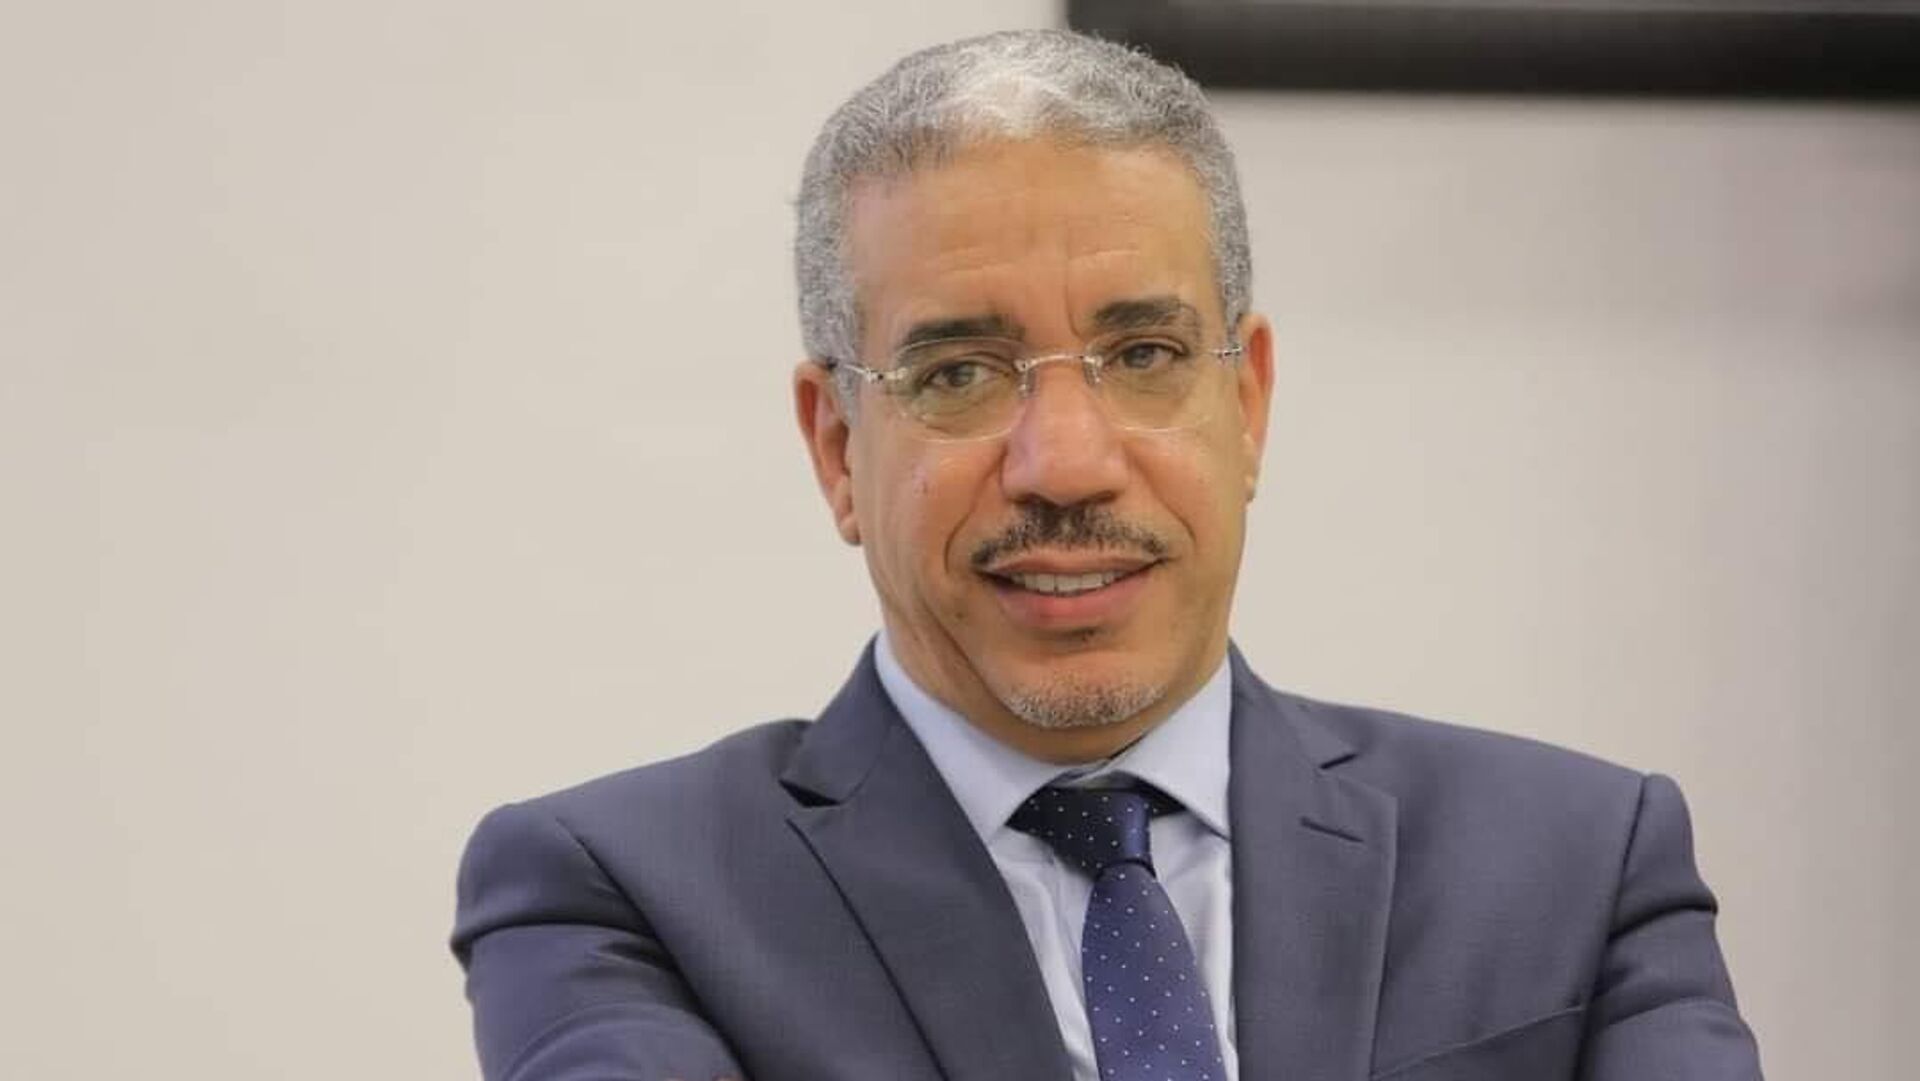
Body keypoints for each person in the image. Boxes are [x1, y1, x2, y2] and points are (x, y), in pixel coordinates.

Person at [451, 29, 1763, 1081]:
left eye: (1143, 355)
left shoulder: (1578, 861)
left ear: (1247, 402)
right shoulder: (625, 895)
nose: (1067, 463)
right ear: (837, 446)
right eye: (959, 372)